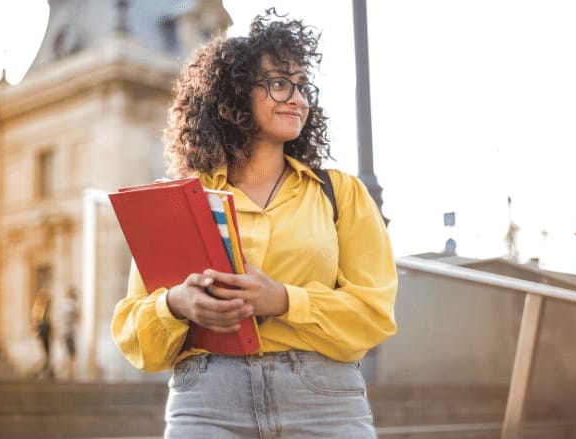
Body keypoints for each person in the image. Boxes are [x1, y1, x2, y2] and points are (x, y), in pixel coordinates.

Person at [111, 9, 397, 438]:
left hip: (323, 400)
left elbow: (374, 315)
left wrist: (283, 300)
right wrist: (176, 305)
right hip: (207, 398)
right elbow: (135, 334)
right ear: (234, 93)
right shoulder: (183, 202)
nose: (298, 97)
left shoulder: (340, 193)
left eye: (302, 86)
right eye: (280, 83)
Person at [31, 289, 53, 379]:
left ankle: (46, 369)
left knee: (47, 352)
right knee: (45, 352)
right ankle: (43, 369)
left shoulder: (40, 308)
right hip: (43, 331)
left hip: (45, 331)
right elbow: (37, 321)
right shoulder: (39, 308)